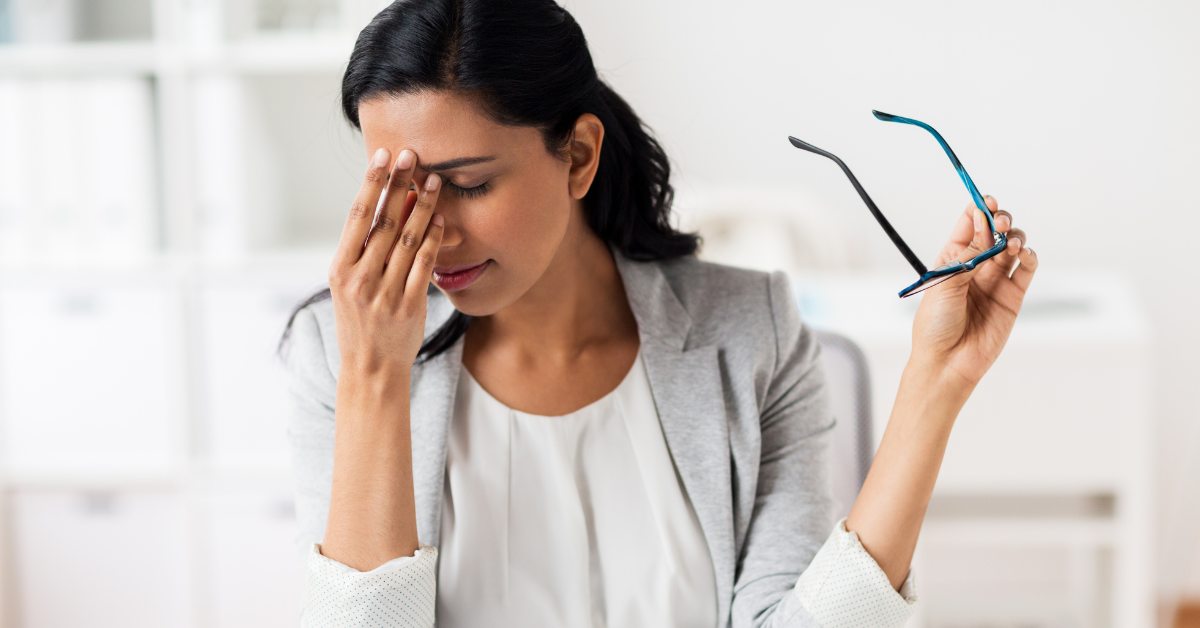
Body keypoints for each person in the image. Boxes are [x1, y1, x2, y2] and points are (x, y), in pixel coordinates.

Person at [278, 0, 1038, 626]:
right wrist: (375, 372)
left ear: (577, 155)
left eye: (469, 184)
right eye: (404, 190)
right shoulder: (337, 355)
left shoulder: (752, 335)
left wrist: (935, 383)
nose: (431, 232)